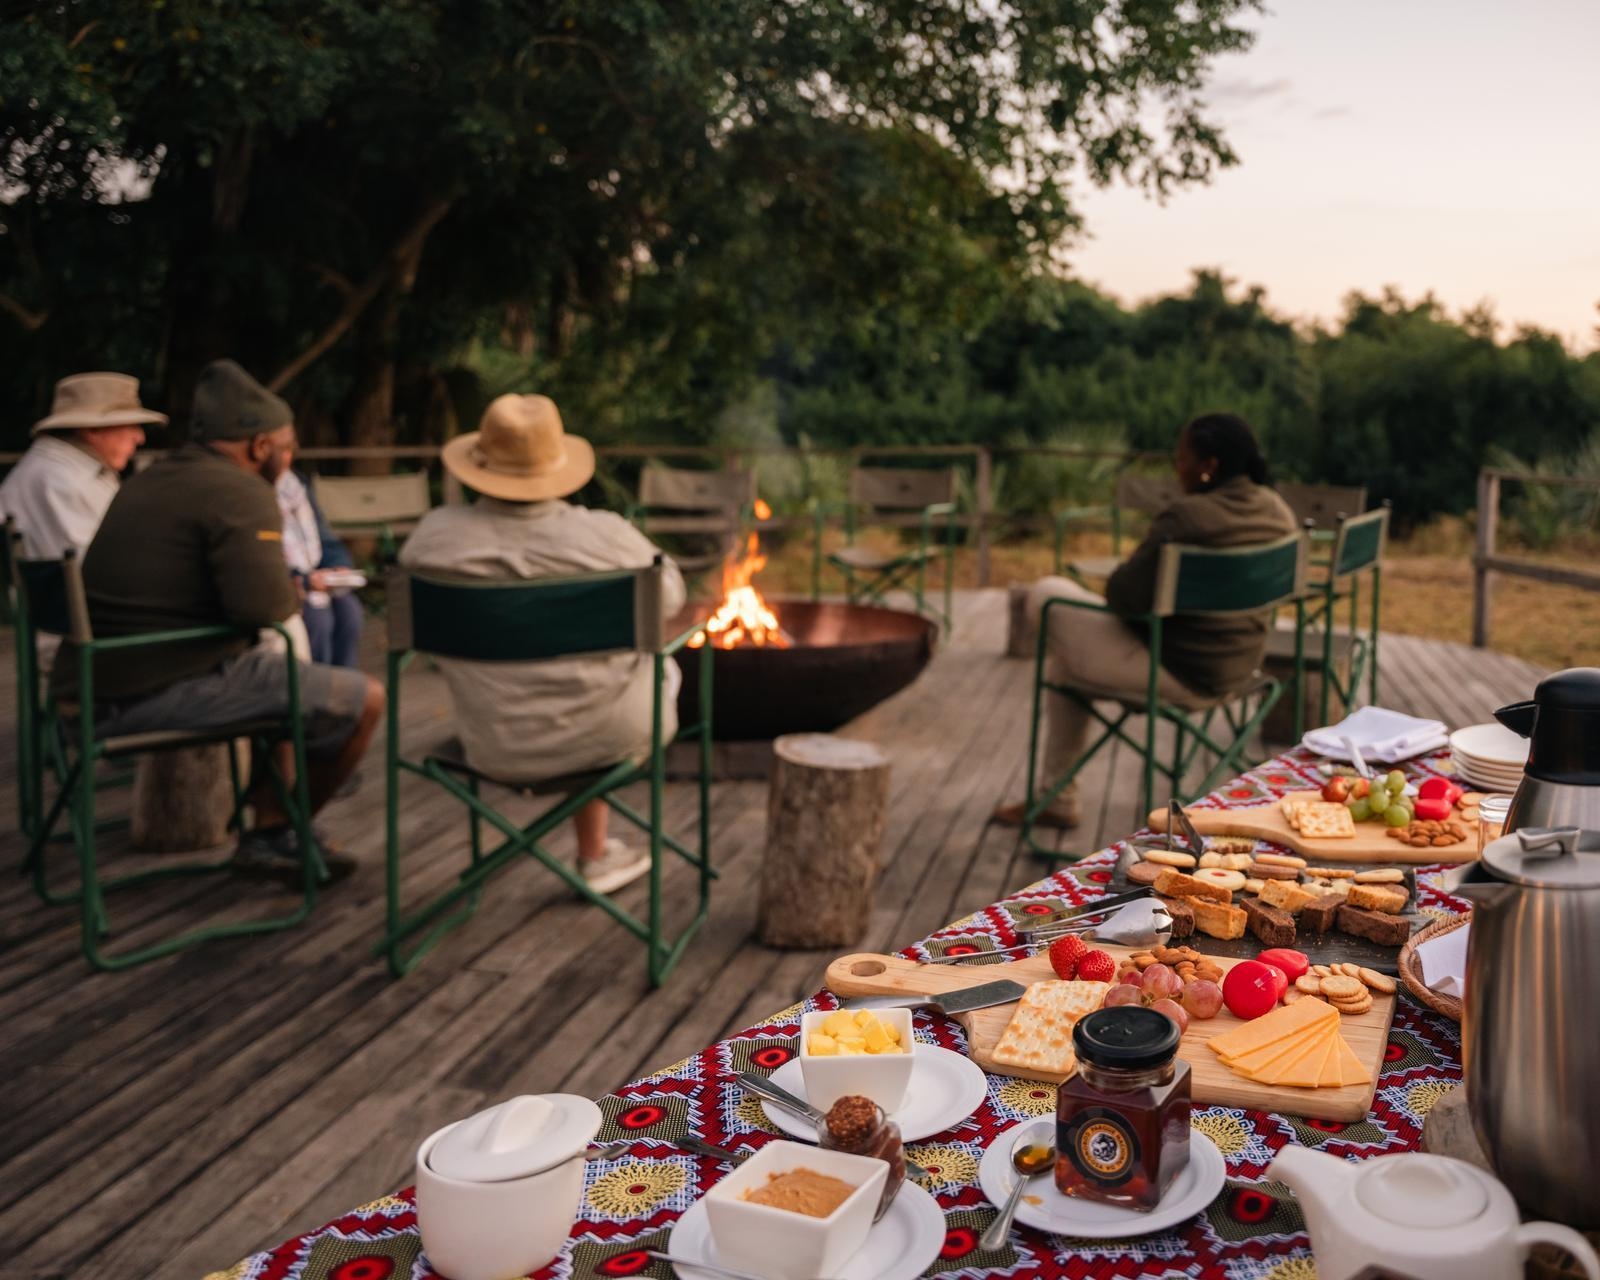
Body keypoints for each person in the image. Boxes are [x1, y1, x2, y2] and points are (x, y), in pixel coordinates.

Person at [53, 359, 385, 879]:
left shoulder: (154, 477)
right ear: (259, 447)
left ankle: (272, 829)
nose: (289, 455)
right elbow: (266, 609)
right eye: (287, 444)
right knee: (363, 700)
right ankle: (277, 830)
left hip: (93, 683)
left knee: (282, 678)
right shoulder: (242, 491)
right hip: (140, 694)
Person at [400, 393, 685, 895]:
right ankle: (593, 855)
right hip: (606, 734)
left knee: (559, 677)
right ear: (555, 466)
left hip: (493, 742)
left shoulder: (432, 539)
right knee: (632, 673)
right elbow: (671, 596)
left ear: (480, 463)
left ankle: (594, 854)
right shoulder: (608, 536)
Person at [995, 413, 1299, 828]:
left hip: (1176, 670)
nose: (1178, 467)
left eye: (1182, 457)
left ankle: (1057, 798)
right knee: (1063, 669)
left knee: (1047, 593)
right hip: (1242, 667)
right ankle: (1057, 800)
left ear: (1208, 465)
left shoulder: (1187, 517)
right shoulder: (1277, 510)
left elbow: (1123, 596)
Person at [1, 372, 166, 559]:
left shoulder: (58, 467)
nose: (140, 438)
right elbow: (105, 566)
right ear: (92, 430)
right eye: (131, 426)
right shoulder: (66, 481)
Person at [277, 466, 364, 668]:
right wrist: (305, 580)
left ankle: (343, 687)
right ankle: (318, 690)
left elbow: (325, 540)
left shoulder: (297, 483)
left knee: (350, 612)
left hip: (318, 576)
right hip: (286, 583)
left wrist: (338, 565)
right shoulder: (255, 491)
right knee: (318, 618)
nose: (286, 458)